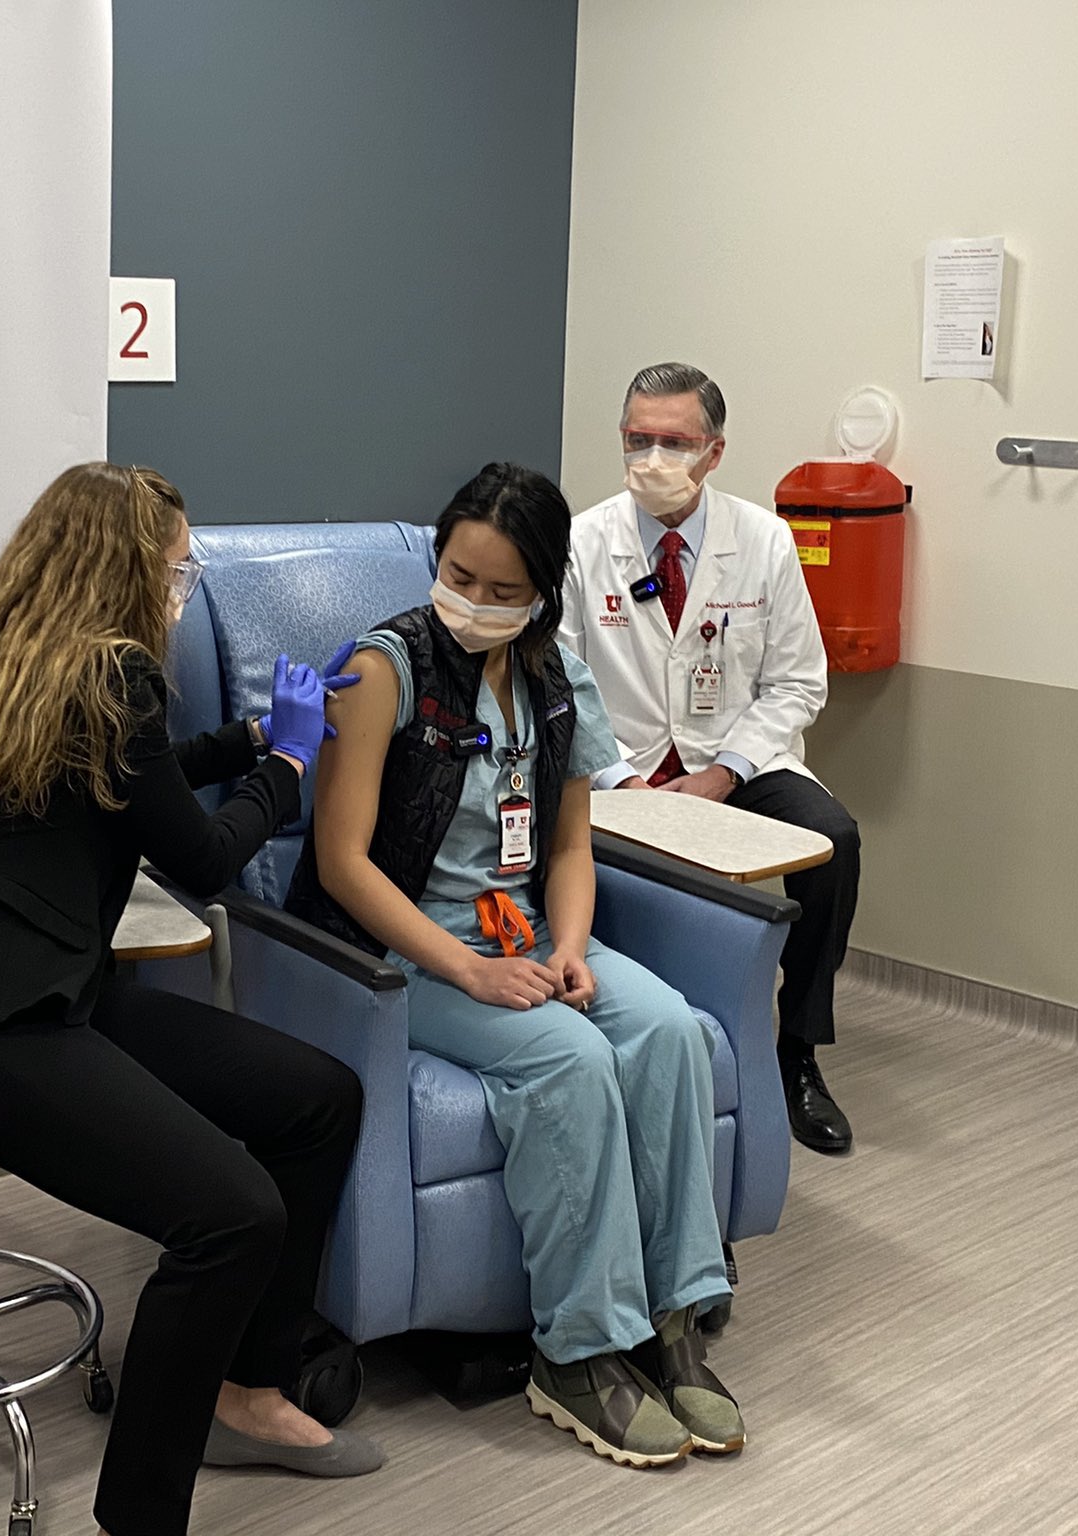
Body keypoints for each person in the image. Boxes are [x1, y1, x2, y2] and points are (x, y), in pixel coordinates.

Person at [0, 462, 382, 1536]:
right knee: (231, 1214)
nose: (180, 592)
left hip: (28, 994)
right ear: (126, 570)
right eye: (176, 572)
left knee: (314, 1097)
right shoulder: (108, 675)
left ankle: (246, 1389)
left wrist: (245, 738)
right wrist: (286, 756)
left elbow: (131, 782)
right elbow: (204, 856)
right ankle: (139, 1518)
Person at [287, 463, 744, 1469]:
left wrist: (570, 948)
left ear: (542, 592)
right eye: (459, 576)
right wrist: (465, 968)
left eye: (502, 591)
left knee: (665, 1031)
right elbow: (340, 864)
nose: (474, 604)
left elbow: (570, 847)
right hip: (396, 951)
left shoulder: (555, 678)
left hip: (528, 931)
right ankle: (577, 1351)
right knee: (567, 1062)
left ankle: (670, 1317)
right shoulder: (382, 670)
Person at [558, 362, 861, 1155]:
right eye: (637, 438)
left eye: (675, 441)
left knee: (834, 842)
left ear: (715, 452)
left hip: (737, 763)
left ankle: (795, 1051)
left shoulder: (762, 541)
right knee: (633, 863)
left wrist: (723, 773)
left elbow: (799, 683)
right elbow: (563, 681)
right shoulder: (581, 543)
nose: (653, 457)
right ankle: (657, 1046)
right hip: (618, 769)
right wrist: (627, 779)